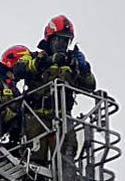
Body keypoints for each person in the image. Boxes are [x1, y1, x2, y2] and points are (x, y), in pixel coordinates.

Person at [11, 15, 96, 160]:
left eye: (66, 41)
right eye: (59, 40)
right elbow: (19, 70)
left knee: (67, 156)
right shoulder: (33, 57)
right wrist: (46, 61)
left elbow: (90, 85)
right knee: (36, 160)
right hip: (37, 117)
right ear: (50, 39)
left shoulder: (70, 64)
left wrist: (84, 68)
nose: (62, 45)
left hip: (63, 119)